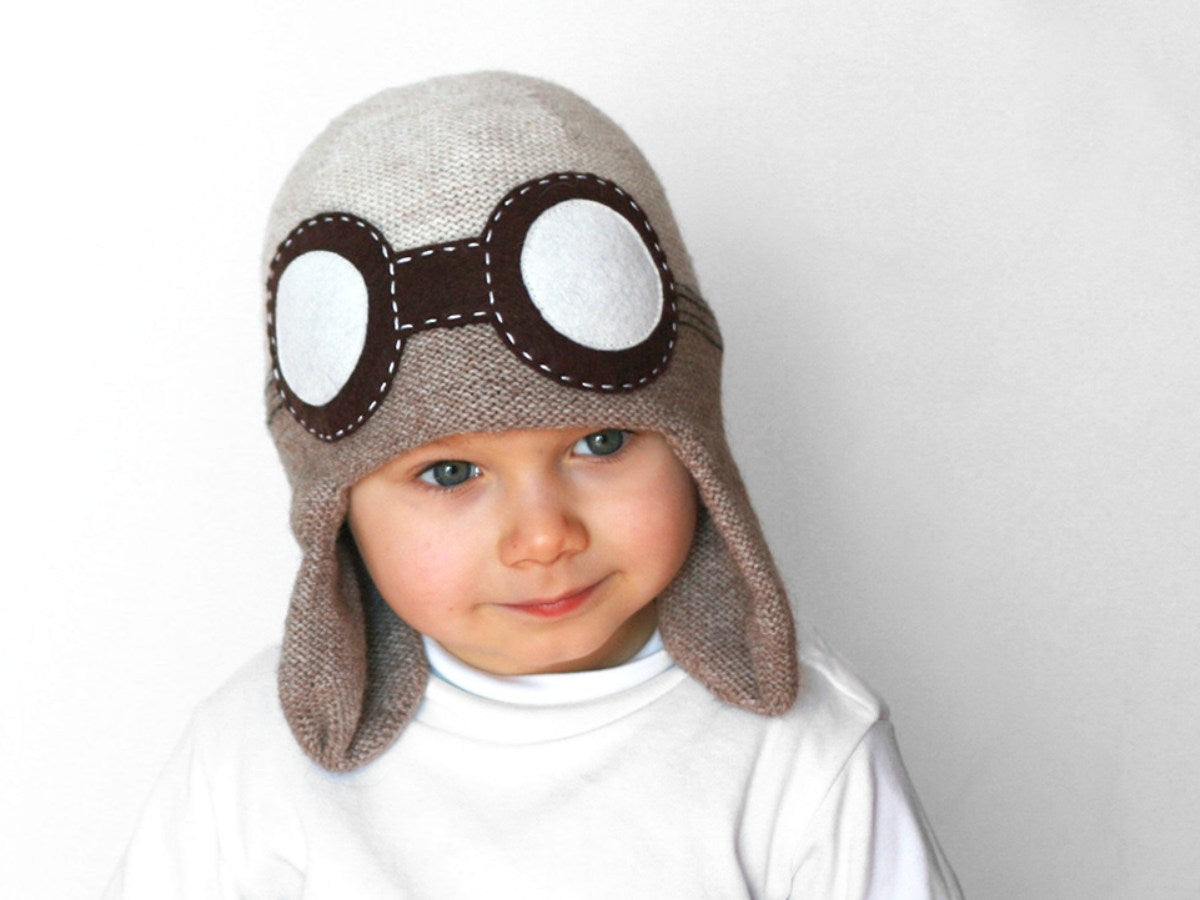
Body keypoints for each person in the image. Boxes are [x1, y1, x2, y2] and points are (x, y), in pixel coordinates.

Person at [106, 71, 963, 898]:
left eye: (602, 439)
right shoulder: (249, 762)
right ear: (338, 516)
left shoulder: (808, 754)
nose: (546, 535)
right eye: (448, 472)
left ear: (697, 446)